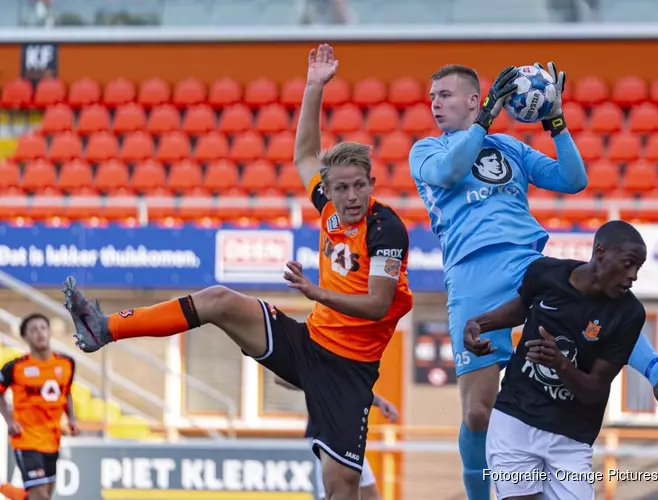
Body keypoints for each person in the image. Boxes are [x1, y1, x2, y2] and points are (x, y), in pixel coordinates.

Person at [61, 43, 413, 500]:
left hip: (349, 368)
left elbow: (377, 304)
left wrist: (315, 292)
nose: (349, 197)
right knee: (219, 300)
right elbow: (305, 156)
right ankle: (104, 328)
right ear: (329, 189)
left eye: (359, 186)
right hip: (309, 343)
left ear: (372, 183)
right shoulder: (328, 207)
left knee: (341, 487)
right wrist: (313, 88)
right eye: (340, 188)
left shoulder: (386, 228)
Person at [408, 63, 658, 500]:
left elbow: (573, 180)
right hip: (470, 276)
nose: (435, 103)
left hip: (525, 262)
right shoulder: (425, 150)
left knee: (596, 293)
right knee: (478, 413)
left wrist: (556, 121)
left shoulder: (509, 147)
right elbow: (449, 173)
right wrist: (484, 122)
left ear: (474, 98)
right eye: (432, 96)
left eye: (444, 94)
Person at [467, 221, 658, 499]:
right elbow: (521, 309)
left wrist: (560, 364)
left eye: (638, 269)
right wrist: (478, 323)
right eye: (628, 264)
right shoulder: (545, 272)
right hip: (515, 419)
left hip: (571, 436)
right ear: (601, 251)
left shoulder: (629, 313)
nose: (633, 276)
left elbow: (595, 389)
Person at [274, 376, 399, 500]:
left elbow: (350, 385)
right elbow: (279, 377)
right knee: (333, 493)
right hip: (325, 436)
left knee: (370, 495)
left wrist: (380, 401)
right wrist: (316, 381)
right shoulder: (316, 358)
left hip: (349, 435)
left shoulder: (346, 361)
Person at [0, 314, 77, 500]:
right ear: (25, 337)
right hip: (26, 439)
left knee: (43, 496)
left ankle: (5, 489)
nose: (39, 333)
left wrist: (72, 418)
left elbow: (66, 392)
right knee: (40, 497)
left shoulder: (66, 363)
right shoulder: (16, 368)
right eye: (33, 330)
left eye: (43, 328)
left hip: (52, 439)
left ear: (49, 332)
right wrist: (9, 420)